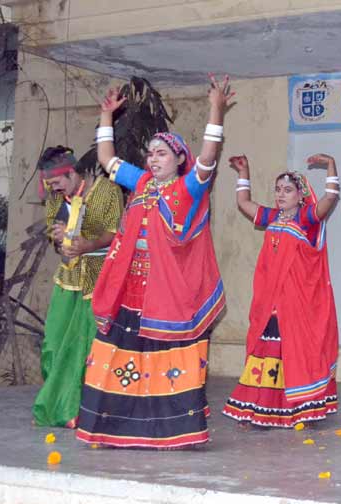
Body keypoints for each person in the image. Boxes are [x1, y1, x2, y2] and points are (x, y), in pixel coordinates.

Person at [76, 75, 232, 449]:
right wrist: (105, 117)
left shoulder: (188, 188)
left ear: (179, 159)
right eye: (150, 154)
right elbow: (106, 159)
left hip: (168, 295)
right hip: (130, 290)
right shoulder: (142, 183)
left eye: (161, 153)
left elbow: (208, 158)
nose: (153, 159)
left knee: (165, 360)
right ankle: (114, 429)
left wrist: (216, 109)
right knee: (120, 356)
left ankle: (175, 433)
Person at [223, 154, 340, 428]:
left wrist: (331, 166)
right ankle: (259, 407)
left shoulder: (307, 218)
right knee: (266, 352)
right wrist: (244, 171)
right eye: (277, 190)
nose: (280, 195)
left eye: (287, 190)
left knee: (294, 352)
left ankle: (299, 408)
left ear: (300, 195)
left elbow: (329, 199)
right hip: (270, 300)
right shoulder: (272, 217)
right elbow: (243, 203)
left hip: (295, 302)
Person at [32, 146, 123, 428]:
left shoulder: (107, 191)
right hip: (68, 279)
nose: (54, 190)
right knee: (54, 343)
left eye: (57, 183)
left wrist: (87, 245)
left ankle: (78, 411)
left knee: (84, 347)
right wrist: (61, 243)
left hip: (98, 278)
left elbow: (117, 233)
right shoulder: (55, 200)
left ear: (71, 173)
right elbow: (59, 248)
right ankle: (55, 406)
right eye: (50, 186)